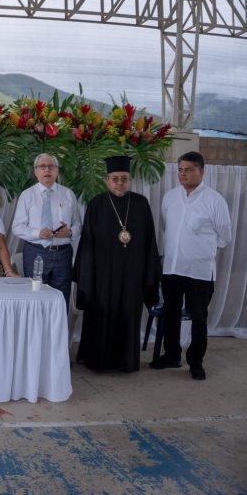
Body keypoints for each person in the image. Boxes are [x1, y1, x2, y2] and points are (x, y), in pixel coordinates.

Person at [73, 155, 161, 373]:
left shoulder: (141, 204)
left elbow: (150, 240)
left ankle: (125, 362)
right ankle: (98, 361)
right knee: (101, 315)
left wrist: (149, 274)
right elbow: (86, 242)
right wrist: (87, 275)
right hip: (102, 275)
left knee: (128, 314)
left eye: (124, 178)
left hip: (132, 273)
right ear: (106, 180)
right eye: (115, 179)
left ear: (130, 180)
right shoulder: (96, 204)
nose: (119, 183)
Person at [151, 151, 232, 380]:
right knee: (171, 313)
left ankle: (196, 362)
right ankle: (172, 355)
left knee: (199, 318)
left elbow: (224, 237)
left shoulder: (214, 200)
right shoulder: (170, 197)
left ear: (201, 171)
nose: (183, 174)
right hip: (172, 268)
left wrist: (200, 247)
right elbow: (169, 228)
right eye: (180, 170)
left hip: (200, 272)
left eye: (189, 170)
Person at [12, 153, 82, 308]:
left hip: (62, 253)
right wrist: (38, 233)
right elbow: (17, 227)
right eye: (42, 166)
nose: (47, 170)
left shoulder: (68, 194)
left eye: (51, 166)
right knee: (36, 298)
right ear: (36, 171)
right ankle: (36, 332)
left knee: (60, 298)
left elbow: (78, 224)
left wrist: (69, 232)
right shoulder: (27, 195)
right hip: (36, 252)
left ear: (57, 171)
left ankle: (58, 332)